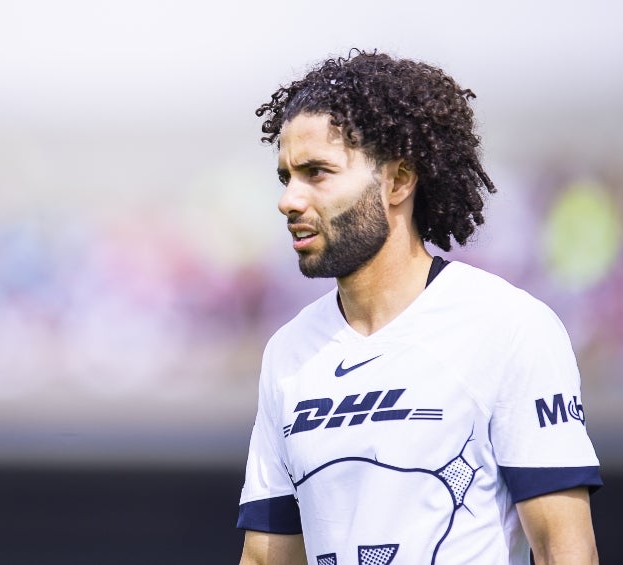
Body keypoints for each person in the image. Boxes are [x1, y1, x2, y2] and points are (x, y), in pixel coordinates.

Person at [236, 50, 602, 565]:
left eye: (316, 172)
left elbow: (565, 550)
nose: (289, 200)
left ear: (398, 181)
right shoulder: (288, 352)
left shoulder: (509, 326)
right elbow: (265, 557)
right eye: (286, 177)